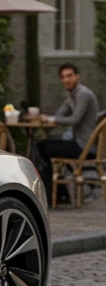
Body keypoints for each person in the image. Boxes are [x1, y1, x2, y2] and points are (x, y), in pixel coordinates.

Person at [34, 63, 100, 204]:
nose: (66, 80)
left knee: (44, 148)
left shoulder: (83, 94)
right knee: (42, 146)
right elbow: (60, 114)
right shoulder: (73, 95)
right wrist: (48, 118)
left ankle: (56, 194)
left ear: (77, 76)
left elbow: (74, 119)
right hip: (78, 143)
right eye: (63, 77)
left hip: (84, 146)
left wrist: (52, 119)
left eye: (69, 75)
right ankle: (59, 193)